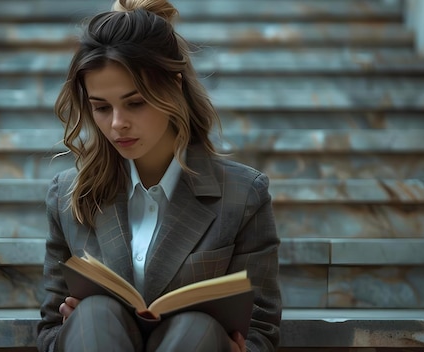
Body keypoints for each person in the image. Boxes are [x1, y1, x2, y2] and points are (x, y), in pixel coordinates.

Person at [37, 0, 282, 350]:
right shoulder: (67, 196)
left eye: (135, 103)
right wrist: (74, 325)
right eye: (101, 108)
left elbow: (261, 332)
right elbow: (47, 331)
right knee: (95, 315)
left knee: (196, 328)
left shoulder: (243, 195)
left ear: (174, 87)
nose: (117, 123)